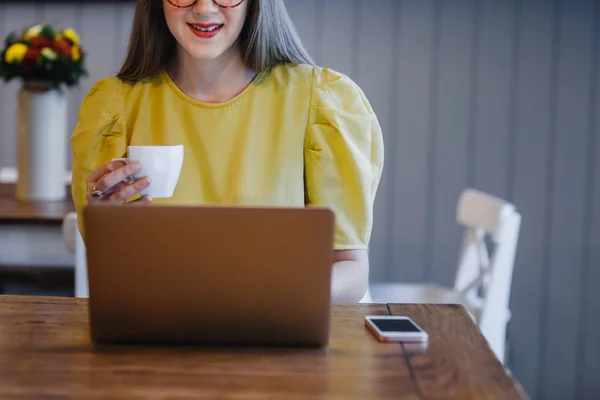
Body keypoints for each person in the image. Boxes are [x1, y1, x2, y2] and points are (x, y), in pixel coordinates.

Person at [70, 0, 384, 302]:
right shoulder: (115, 106)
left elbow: (351, 267)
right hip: (157, 337)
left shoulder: (320, 100)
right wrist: (103, 224)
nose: (204, 7)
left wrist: (280, 298)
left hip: (274, 336)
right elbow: (111, 272)